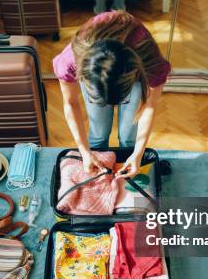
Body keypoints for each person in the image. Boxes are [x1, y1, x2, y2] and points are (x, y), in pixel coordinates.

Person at [53, 11, 170, 178]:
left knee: (129, 135)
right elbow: (71, 103)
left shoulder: (149, 58)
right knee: (98, 133)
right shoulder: (69, 61)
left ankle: (129, 157)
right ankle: (94, 160)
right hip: (97, 68)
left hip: (134, 67)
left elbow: (150, 106)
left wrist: (137, 154)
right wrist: (85, 153)